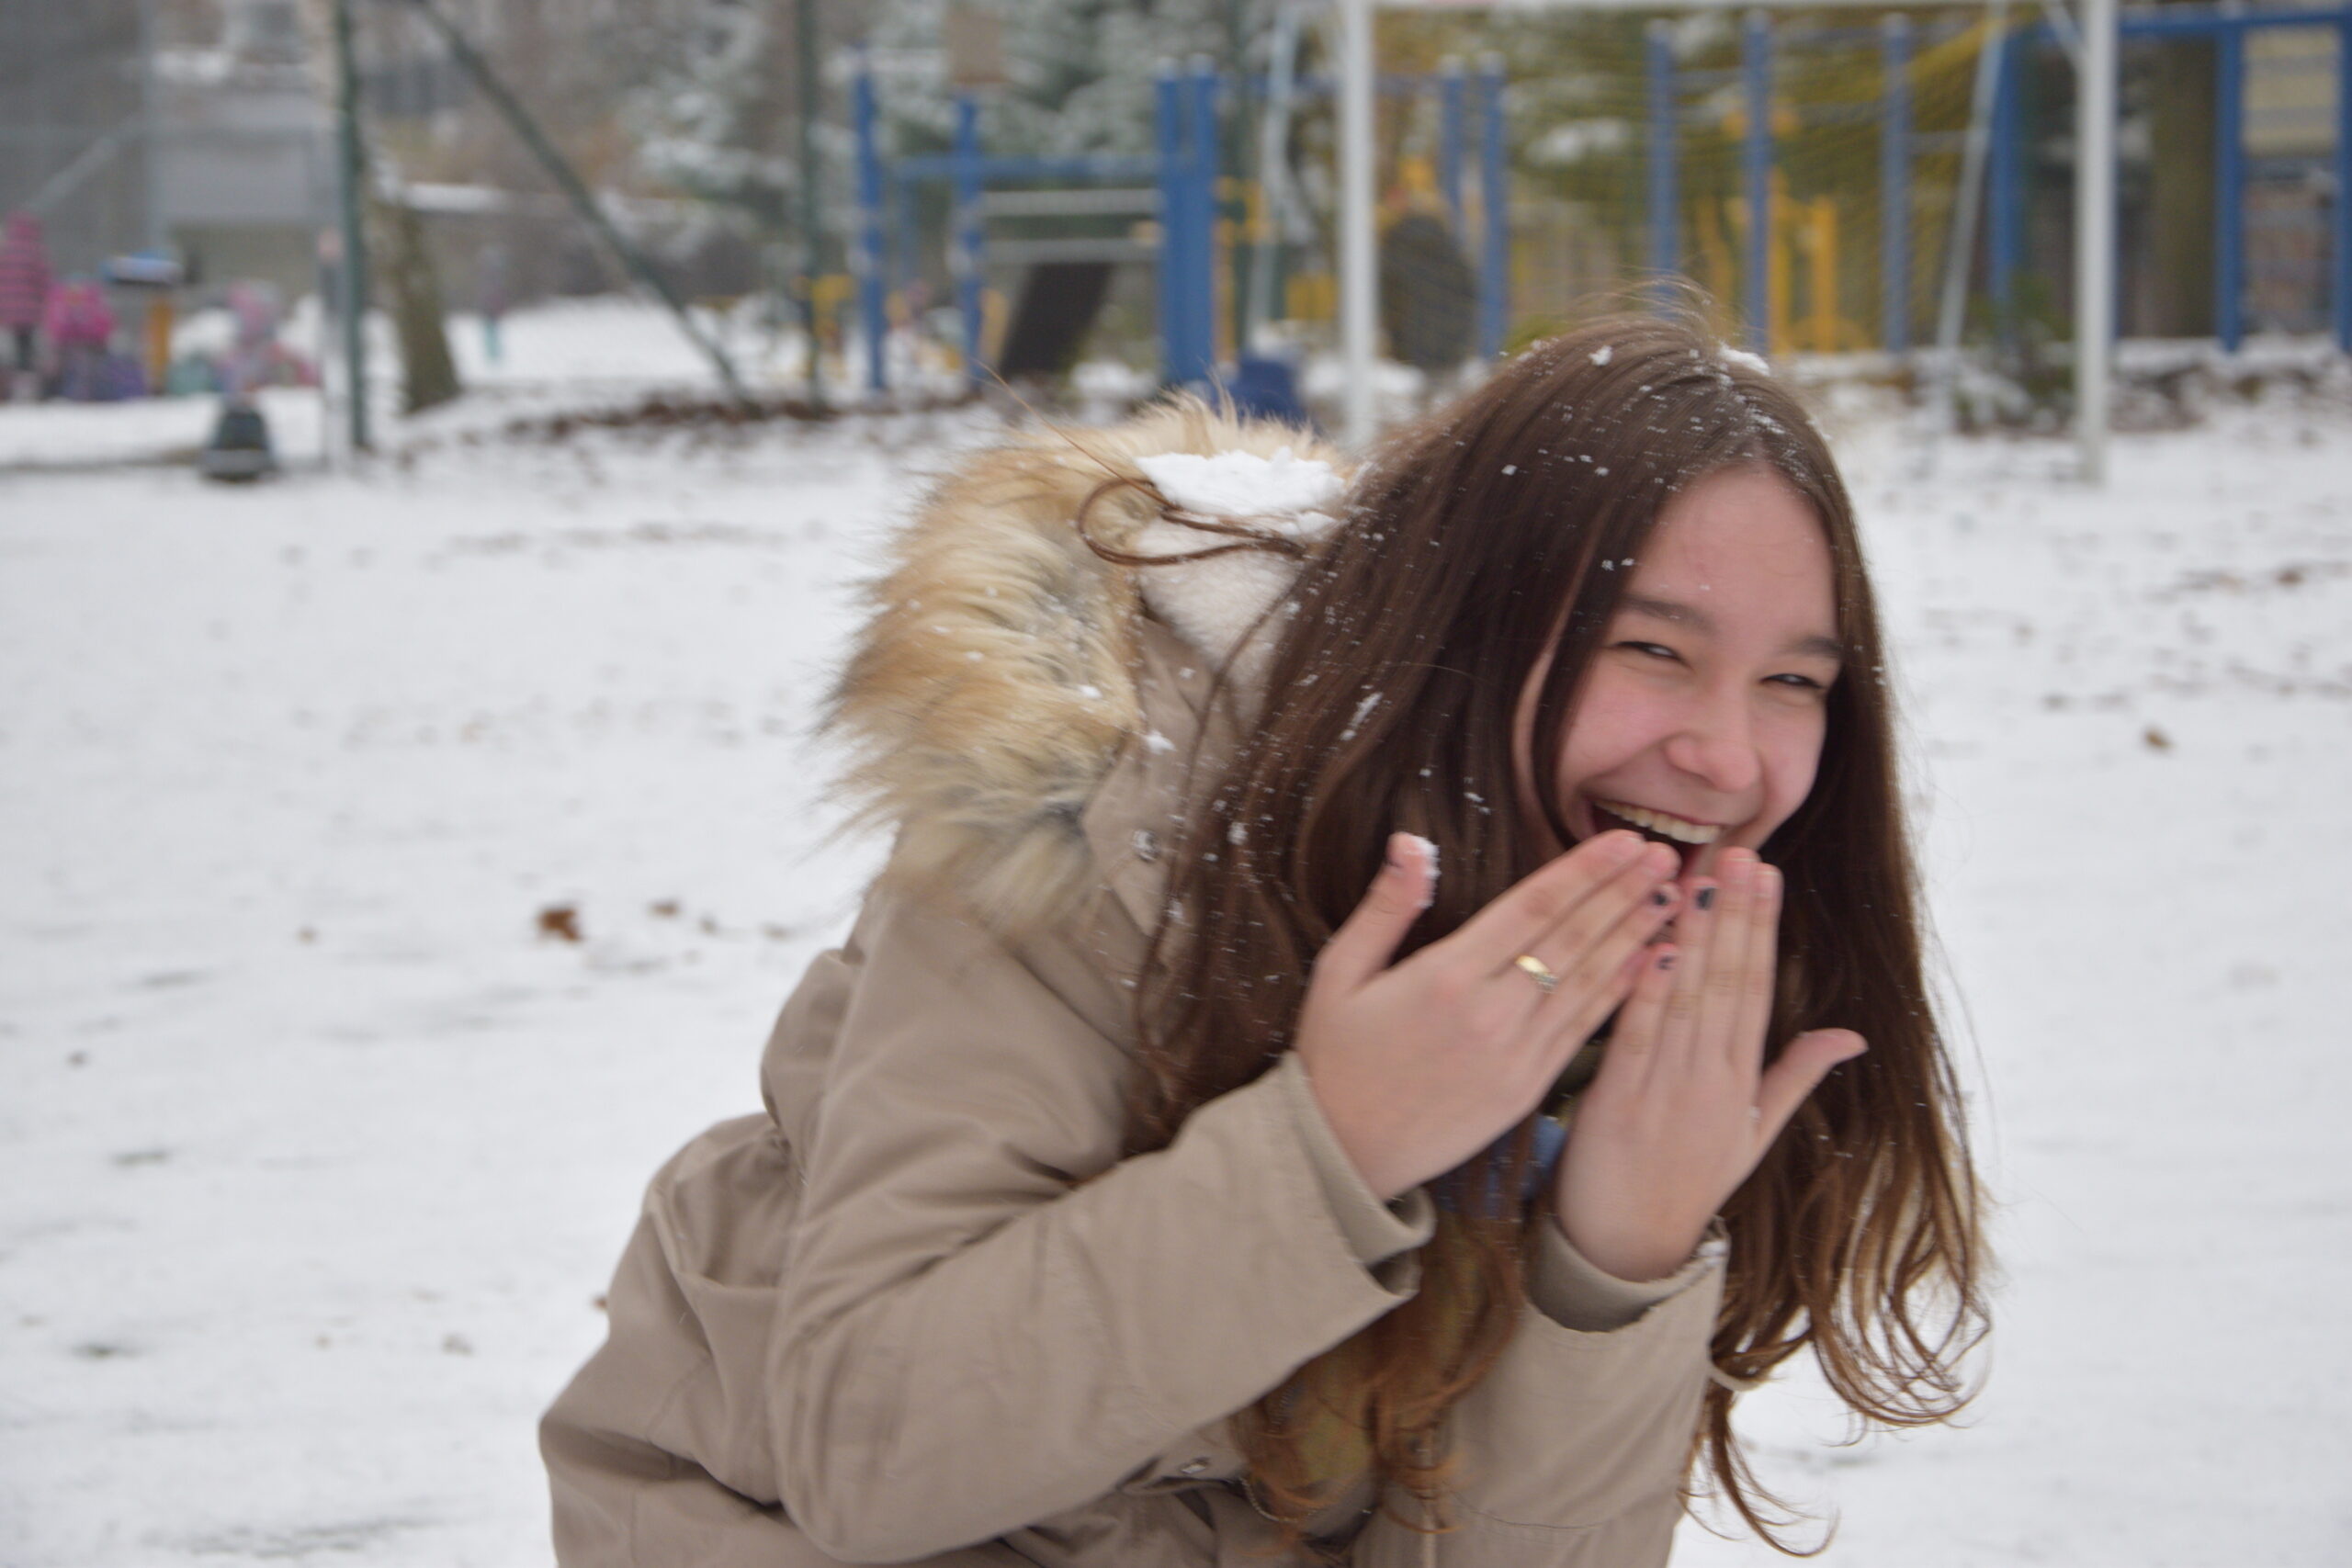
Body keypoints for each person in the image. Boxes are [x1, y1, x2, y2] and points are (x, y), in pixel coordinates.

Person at [540, 313, 1989, 1567]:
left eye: (1794, 681)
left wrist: (1612, 1259)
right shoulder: (1091, 823)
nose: (1727, 757)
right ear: (1466, 630)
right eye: (1653, 648)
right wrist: (1334, 1146)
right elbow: (869, 1444)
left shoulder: (1675, 973)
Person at [0, 210, 52, 391]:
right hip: (30, 313)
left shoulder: (5, 250)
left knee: (10, 351)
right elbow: (44, 282)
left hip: (6, 312)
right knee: (28, 350)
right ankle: (27, 388)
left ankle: (9, 386)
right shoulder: (35, 251)